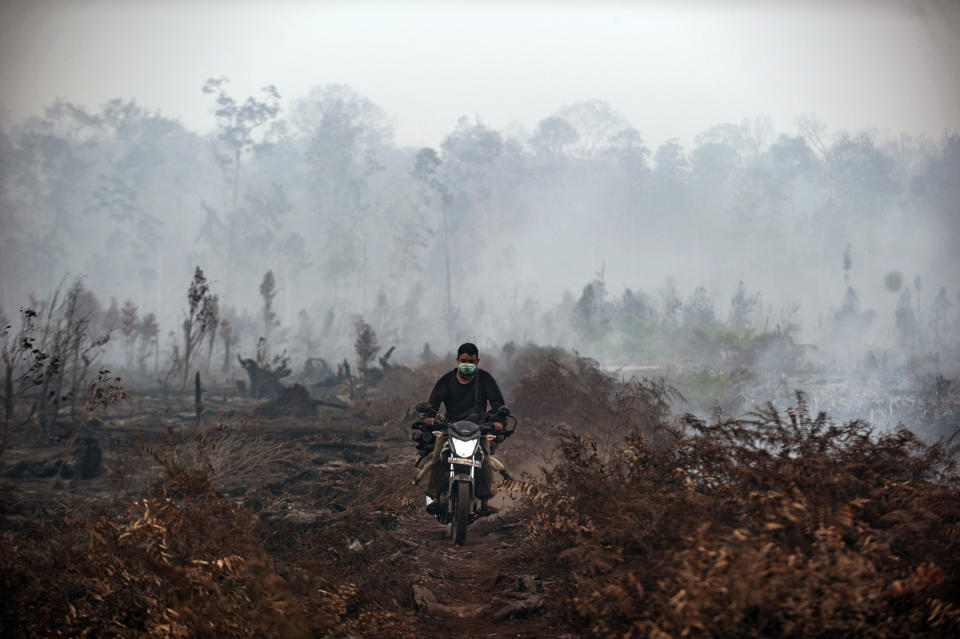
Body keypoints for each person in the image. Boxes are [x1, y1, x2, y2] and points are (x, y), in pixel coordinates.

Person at [423, 342, 505, 517]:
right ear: (458, 360)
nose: (467, 364)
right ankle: (436, 498)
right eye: (464, 360)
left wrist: (498, 419)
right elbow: (433, 404)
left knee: (484, 459)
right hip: (449, 427)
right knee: (438, 457)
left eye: (471, 361)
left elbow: (497, 403)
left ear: (477, 361)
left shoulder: (485, 379)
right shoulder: (446, 380)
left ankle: (485, 502)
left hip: (479, 429)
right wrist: (430, 416)